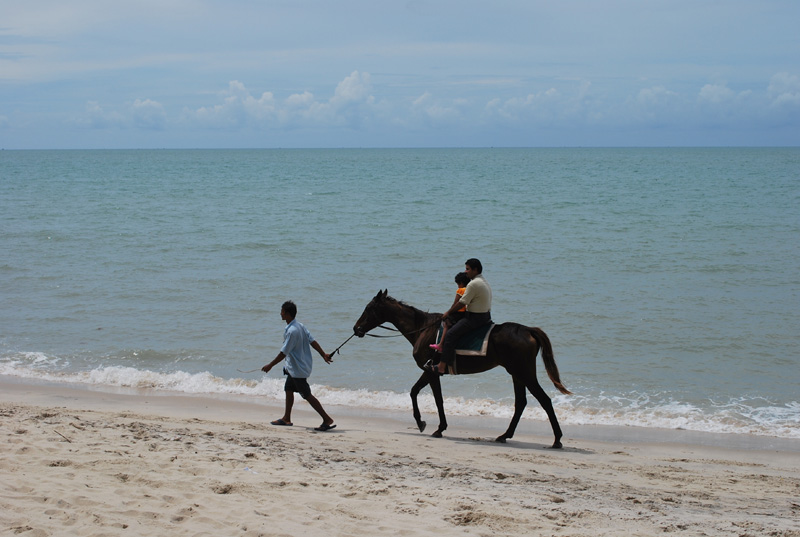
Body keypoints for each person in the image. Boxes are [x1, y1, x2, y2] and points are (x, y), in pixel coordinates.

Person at [262, 300, 336, 431]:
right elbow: (312, 341)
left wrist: (270, 365)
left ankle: (327, 419)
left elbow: (283, 353)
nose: (280, 313)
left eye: (282, 311)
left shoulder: (292, 331)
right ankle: (286, 418)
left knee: (306, 394)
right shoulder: (300, 326)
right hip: (296, 367)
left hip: (298, 369)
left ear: (287, 314)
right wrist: (323, 354)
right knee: (288, 389)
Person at [431, 258, 492, 375]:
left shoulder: (473, 284)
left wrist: (448, 313)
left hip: (475, 318)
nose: (465, 272)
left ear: (475, 270)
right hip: (486, 316)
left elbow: (462, 303)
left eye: (468, 269)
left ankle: (442, 366)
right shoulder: (483, 281)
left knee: (450, 334)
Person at [430, 271, 471, 352]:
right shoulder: (469, 289)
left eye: (458, 284)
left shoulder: (460, 290)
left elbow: (456, 303)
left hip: (459, 313)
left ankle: (440, 344)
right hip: (466, 313)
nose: (458, 286)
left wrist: (449, 312)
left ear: (461, 282)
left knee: (446, 323)